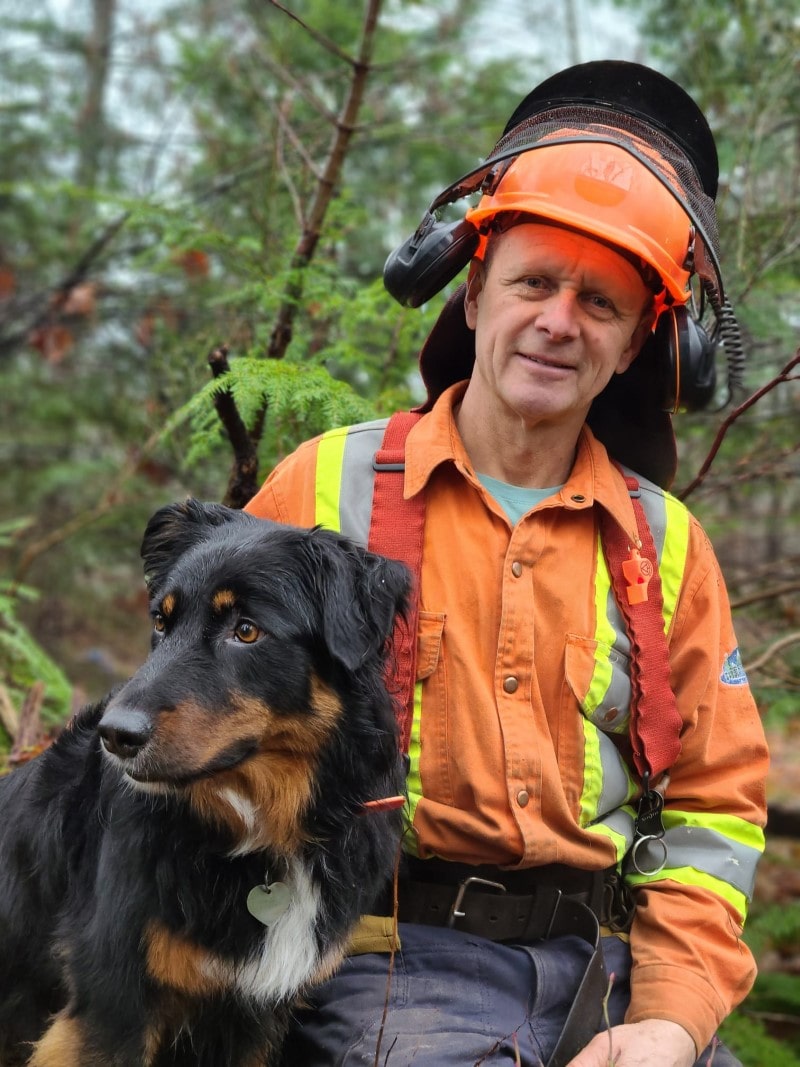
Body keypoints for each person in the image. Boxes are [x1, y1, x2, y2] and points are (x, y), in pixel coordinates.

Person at [246, 60, 769, 1067]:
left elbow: (713, 807)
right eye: (533, 282)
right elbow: (204, 729)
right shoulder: (325, 488)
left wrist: (669, 1017)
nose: (559, 321)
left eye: (600, 303)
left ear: (637, 345)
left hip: (605, 966)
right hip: (381, 960)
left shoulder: (665, 545)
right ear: (475, 289)